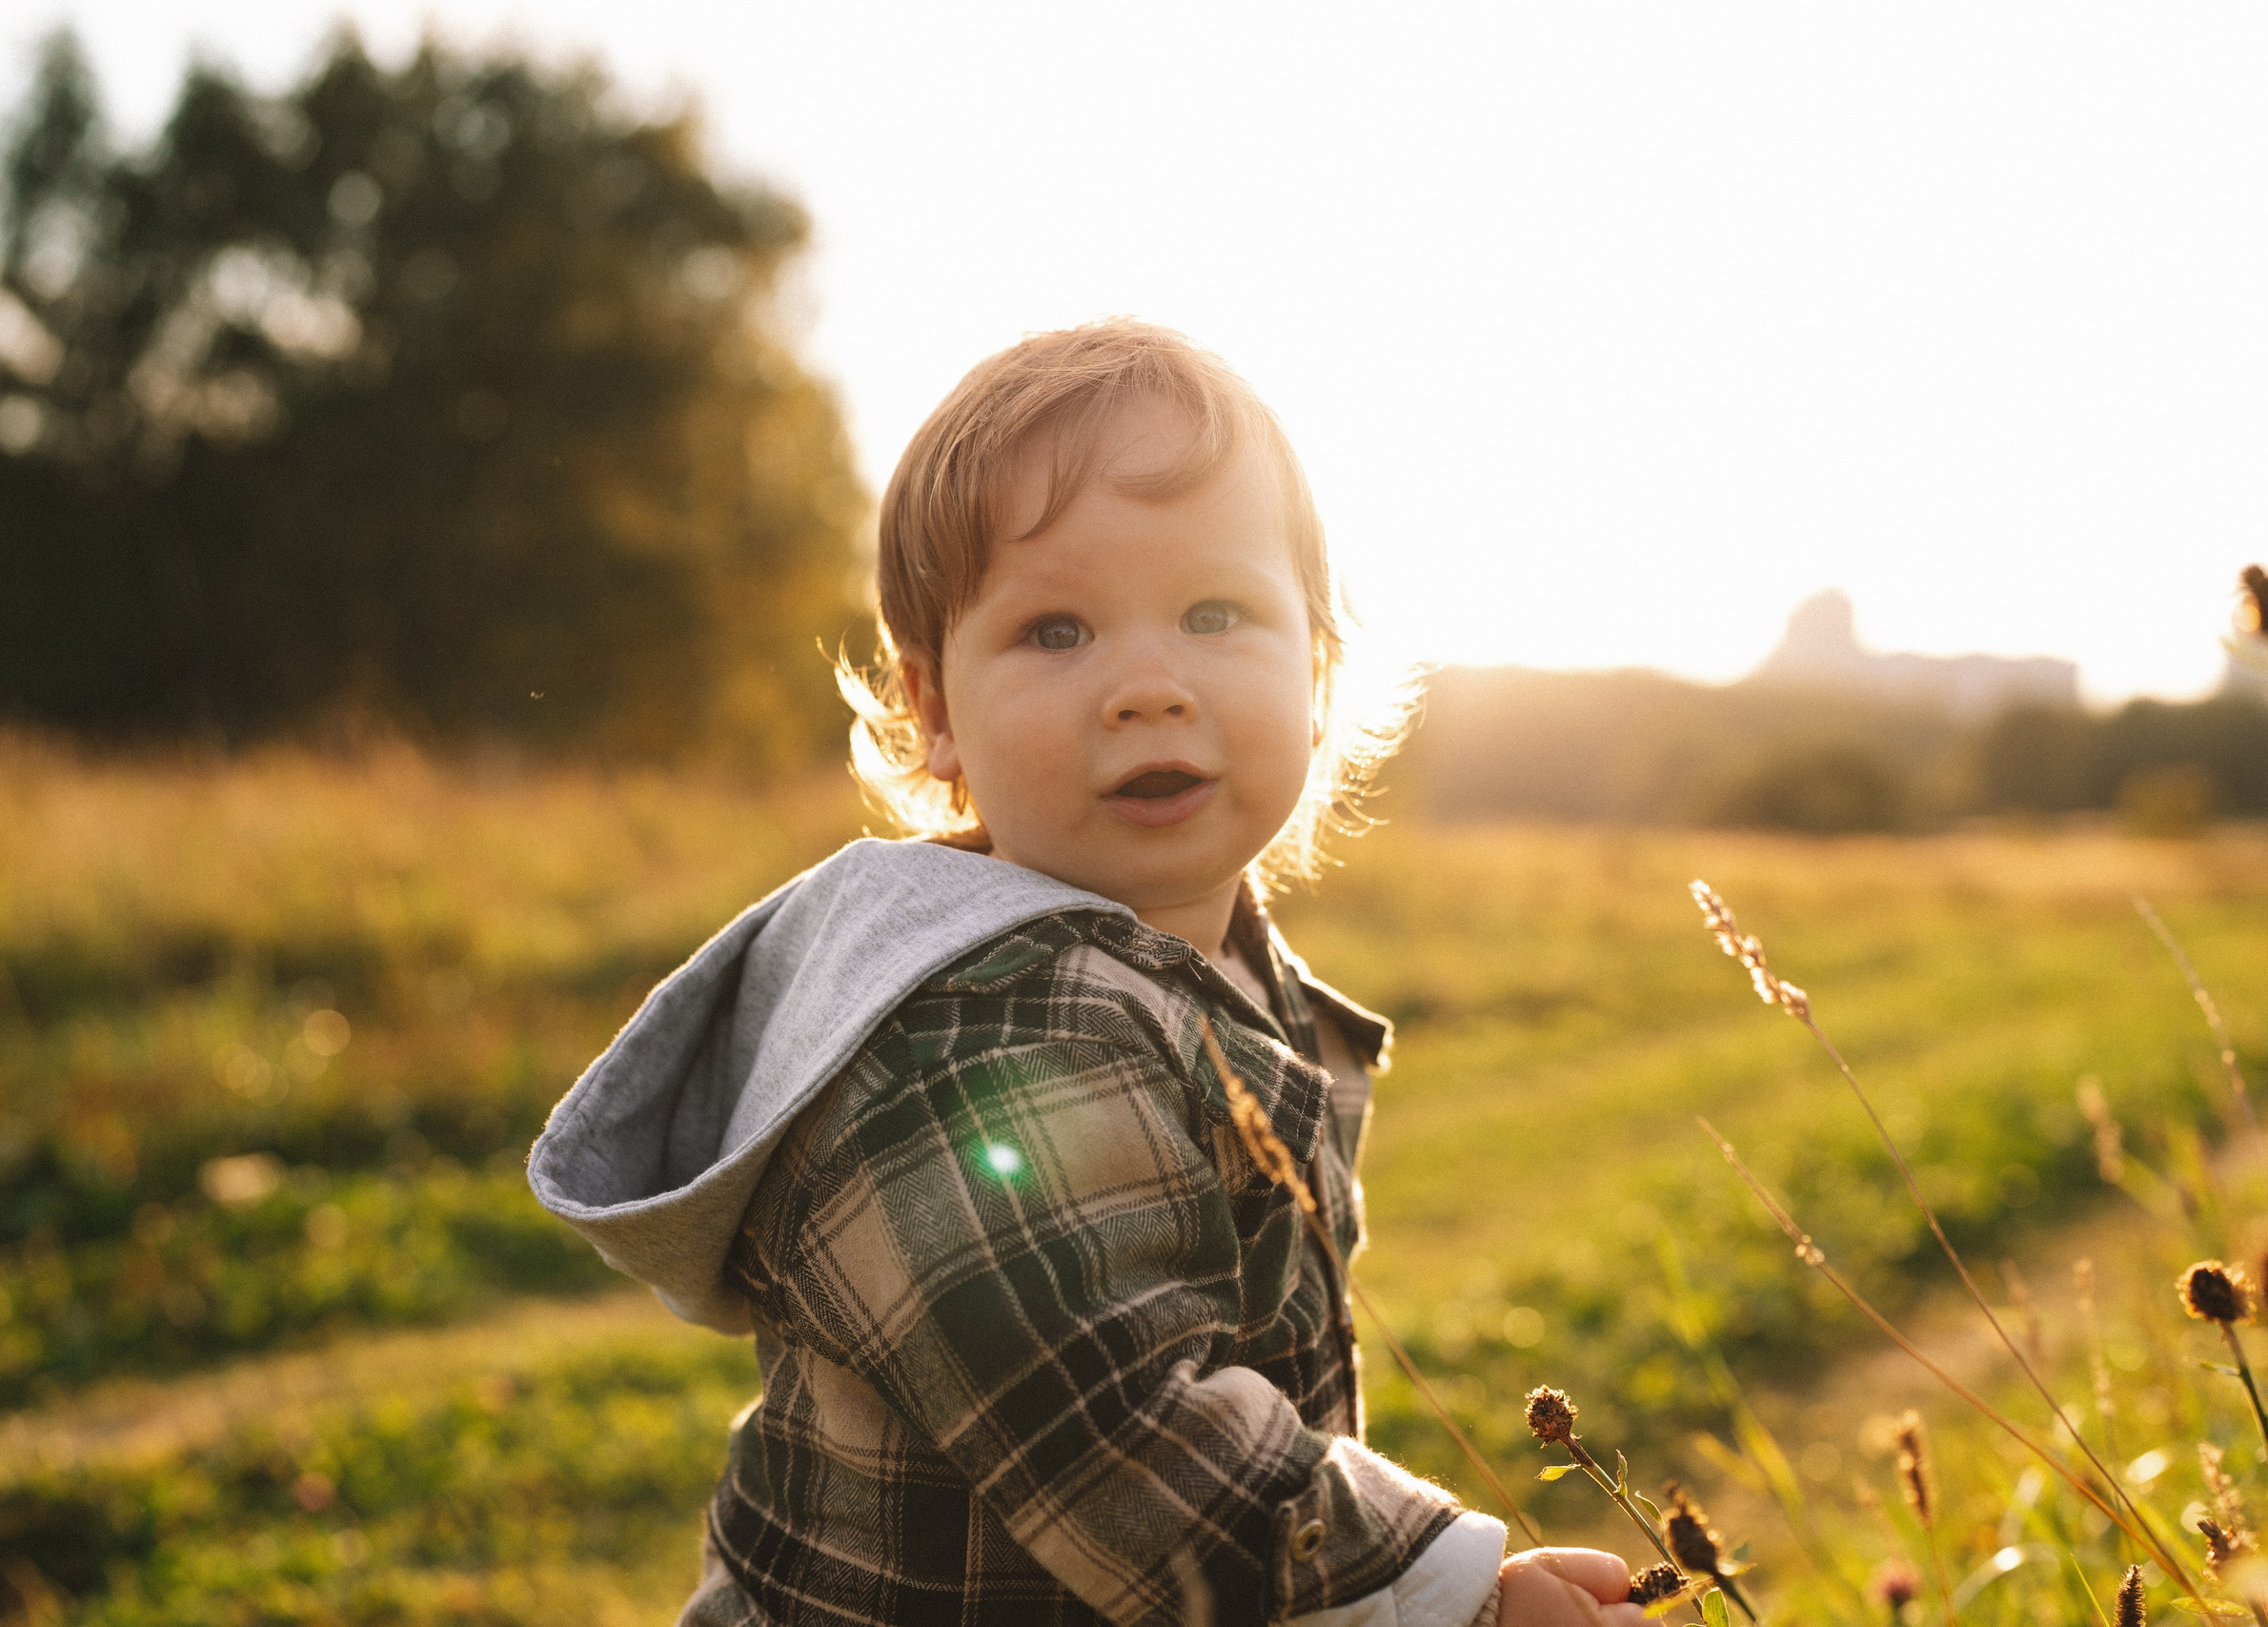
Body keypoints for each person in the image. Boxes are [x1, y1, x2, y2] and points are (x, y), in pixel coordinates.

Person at [529, 320, 1643, 1625]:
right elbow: (1118, 1424)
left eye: (1217, 614)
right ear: (936, 708)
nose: (1148, 687)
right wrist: (1442, 1595)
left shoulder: (1222, 974)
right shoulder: (964, 1034)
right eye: (1057, 631)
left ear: (1320, 669)